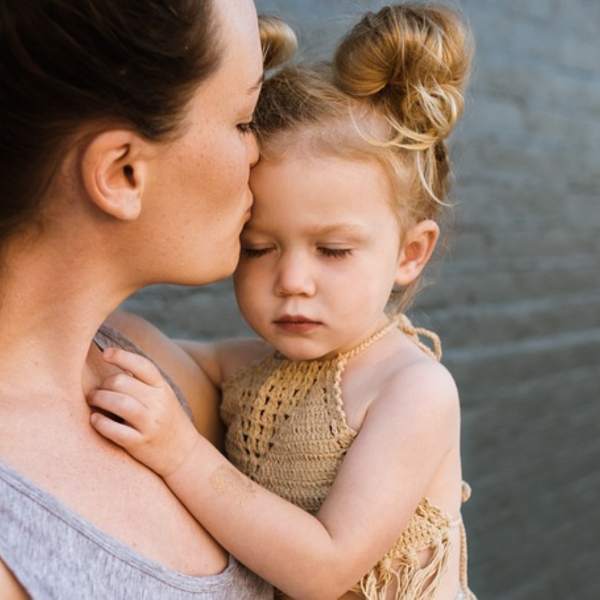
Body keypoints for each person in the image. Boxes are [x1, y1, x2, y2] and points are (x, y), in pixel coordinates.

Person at [88, 4, 476, 600]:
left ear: (410, 253)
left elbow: (325, 568)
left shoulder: (411, 390)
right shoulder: (250, 369)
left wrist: (182, 454)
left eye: (334, 250)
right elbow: (132, 343)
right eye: (259, 247)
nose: (292, 279)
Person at [0, 0, 291, 598]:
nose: (259, 152)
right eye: (242, 120)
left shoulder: (146, 364)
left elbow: (333, 386)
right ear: (123, 172)